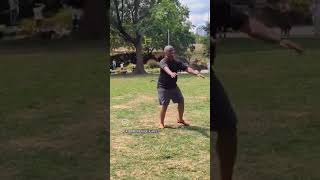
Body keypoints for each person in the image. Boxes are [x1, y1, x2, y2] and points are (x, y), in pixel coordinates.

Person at [212, 1, 304, 180]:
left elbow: (248, 25)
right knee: (225, 125)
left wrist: (279, 39)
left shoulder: (217, 5)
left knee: (227, 126)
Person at [157, 45, 205, 129]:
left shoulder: (177, 62)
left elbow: (187, 68)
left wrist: (195, 73)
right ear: (165, 52)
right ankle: (161, 123)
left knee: (181, 101)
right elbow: (165, 68)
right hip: (163, 87)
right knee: (165, 104)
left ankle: (180, 119)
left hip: (173, 86)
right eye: (170, 51)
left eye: (173, 50)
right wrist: (171, 73)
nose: (172, 52)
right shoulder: (163, 61)